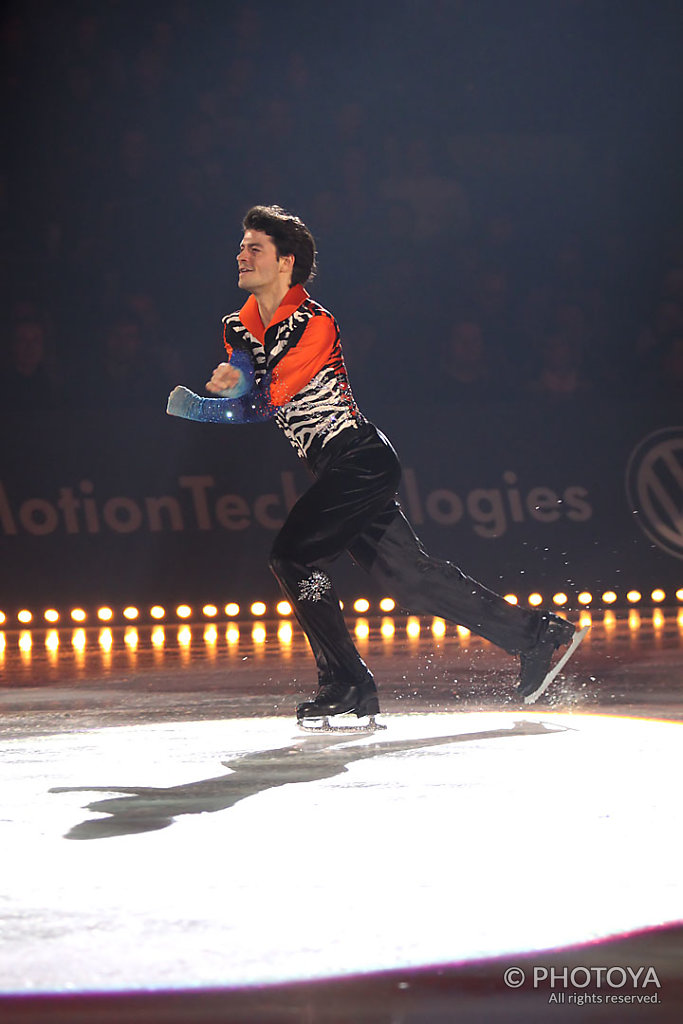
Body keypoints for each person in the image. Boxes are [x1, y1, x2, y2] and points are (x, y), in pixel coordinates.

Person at [167, 205, 585, 724]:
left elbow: (270, 398)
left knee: (293, 557)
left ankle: (345, 680)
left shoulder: (316, 324)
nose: (241, 254)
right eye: (242, 245)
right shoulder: (238, 323)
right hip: (332, 468)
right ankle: (538, 635)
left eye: (255, 247)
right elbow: (245, 370)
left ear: (285, 262)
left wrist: (205, 406)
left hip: (360, 459)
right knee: (411, 579)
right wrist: (232, 378)